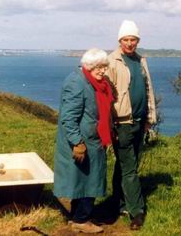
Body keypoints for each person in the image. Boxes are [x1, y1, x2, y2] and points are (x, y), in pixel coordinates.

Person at [53, 48, 114, 234]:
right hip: (83, 141)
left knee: (85, 179)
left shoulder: (94, 82)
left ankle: (78, 217)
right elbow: (68, 117)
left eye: (105, 66)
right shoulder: (77, 82)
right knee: (89, 180)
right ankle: (82, 219)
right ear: (88, 66)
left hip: (93, 140)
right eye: (99, 67)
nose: (103, 71)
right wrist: (77, 142)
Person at [106, 20, 157, 230]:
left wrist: (149, 118)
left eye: (133, 39)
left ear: (138, 41)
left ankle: (118, 202)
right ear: (120, 40)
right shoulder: (112, 61)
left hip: (139, 121)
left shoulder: (140, 60)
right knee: (130, 169)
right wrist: (110, 125)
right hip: (122, 122)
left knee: (126, 164)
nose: (129, 43)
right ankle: (137, 212)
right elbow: (107, 96)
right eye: (126, 39)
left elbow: (148, 89)